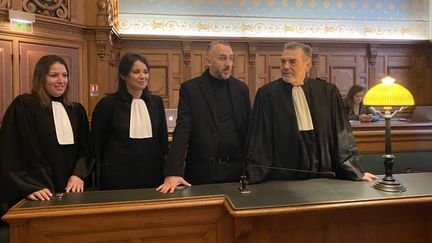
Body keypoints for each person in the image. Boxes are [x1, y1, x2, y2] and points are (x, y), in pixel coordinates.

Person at [245, 42, 377, 183]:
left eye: (292, 62)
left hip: (321, 165)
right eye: (283, 61)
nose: (285, 66)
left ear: (307, 65)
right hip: (285, 171)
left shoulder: (327, 92)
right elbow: (260, 138)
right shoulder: (267, 94)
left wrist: (354, 170)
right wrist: (253, 175)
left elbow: (341, 134)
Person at [157, 41, 251, 193]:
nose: (229, 64)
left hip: (237, 172)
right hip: (203, 172)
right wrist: (173, 171)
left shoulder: (241, 89)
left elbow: (249, 129)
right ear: (208, 61)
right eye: (223, 58)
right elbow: (183, 130)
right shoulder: (191, 89)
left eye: (231, 58)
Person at [0, 55, 93, 203]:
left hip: (71, 191)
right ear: (41, 78)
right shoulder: (24, 106)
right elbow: (13, 153)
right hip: (38, 192)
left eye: (65, 75)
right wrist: (28, 187)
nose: (61, 81)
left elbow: (85, 150)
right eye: (54, 75)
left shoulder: (76, 110)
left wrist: (78, 175)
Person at [91, 53, 168, 190]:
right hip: (118, 175)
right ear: (123, 75)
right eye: (136, 72)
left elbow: (162, 141)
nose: (143, 76)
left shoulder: (156, 103)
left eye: (145, 72)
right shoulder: (108, 104)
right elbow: (98, 144)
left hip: (152, 173)